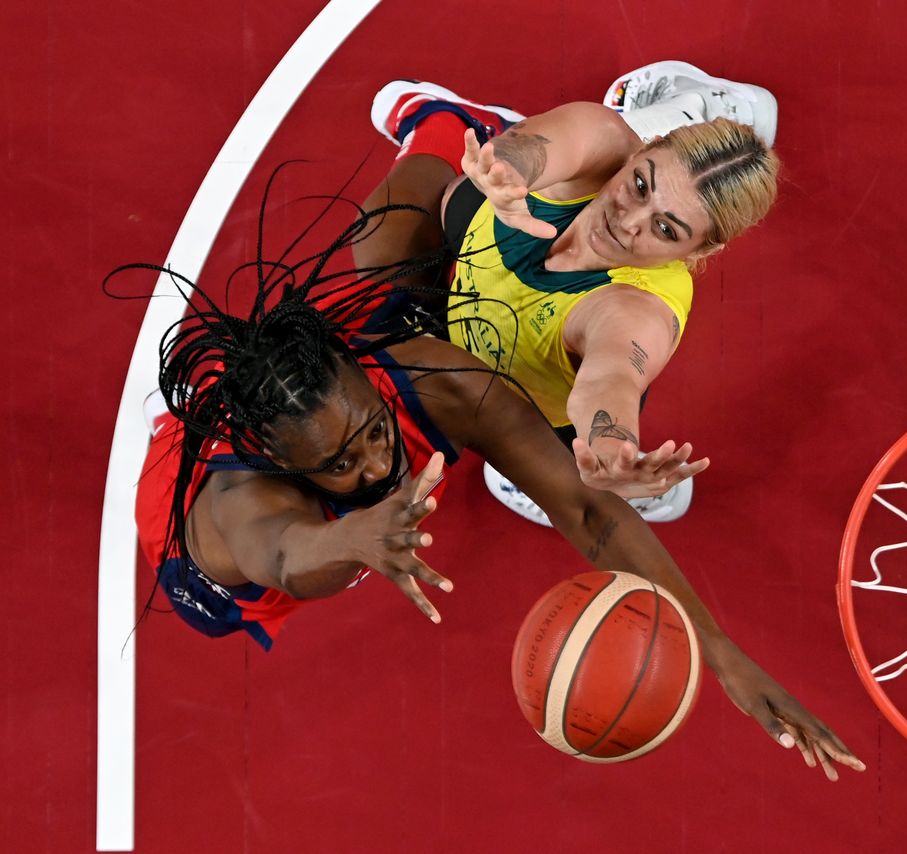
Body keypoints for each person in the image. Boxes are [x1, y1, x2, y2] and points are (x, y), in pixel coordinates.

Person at [118, 210, 861, 782]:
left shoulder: (432, 379)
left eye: (375, 430)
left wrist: (720, 653)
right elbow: (284, 555)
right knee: (226, 589)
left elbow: (586, 507)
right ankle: (175, 423)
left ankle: (429, 118)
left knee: (411, 247)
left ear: (363, 375)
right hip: (204, 559)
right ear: (283, 460)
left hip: (353, 396)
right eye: (341, 464)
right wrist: (355, 537)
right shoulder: (241, 503)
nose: (377, 464)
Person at [352, 62, 779, 526]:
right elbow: (533, 149)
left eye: (665, 229)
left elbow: (610, 378)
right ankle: (450, 122)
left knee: (553, 464)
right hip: (473, 265)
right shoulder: (603, 140)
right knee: (381, 244)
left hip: (523, 399)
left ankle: (573, 473)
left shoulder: (636, 310)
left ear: (700, 250)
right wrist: (506, 173)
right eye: (639, 185)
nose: (627, 221)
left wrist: (612, 454)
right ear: (644, 150)